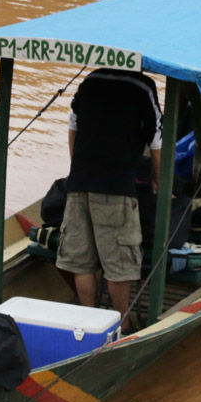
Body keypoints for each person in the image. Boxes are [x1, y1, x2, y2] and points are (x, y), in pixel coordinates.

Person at [57, 67, 161, 324]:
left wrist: (76, 165)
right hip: (115, 187)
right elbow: (157, 138)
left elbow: (73, 124)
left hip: (79, 182)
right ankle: (121, 322)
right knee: (119, 264)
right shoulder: (142, 85)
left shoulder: (91, 79)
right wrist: (158, 178)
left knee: (82, 261)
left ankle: (89, 319)